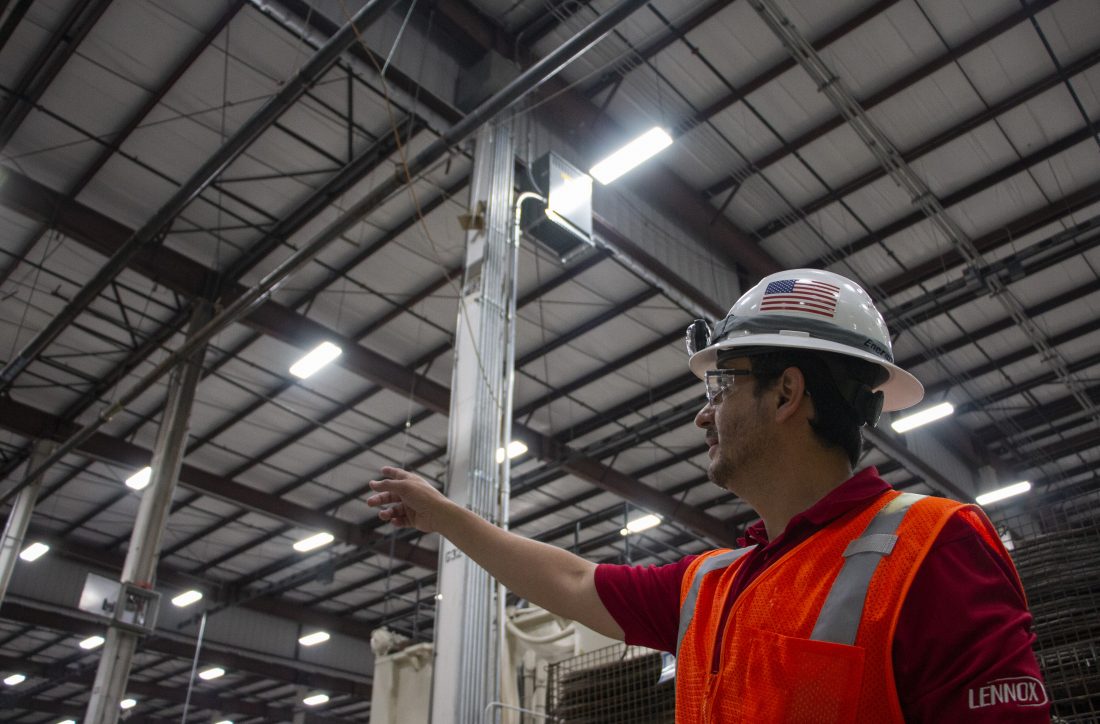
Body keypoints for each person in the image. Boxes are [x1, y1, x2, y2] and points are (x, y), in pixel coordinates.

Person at [367, 269, 1048, 722]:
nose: (703, 414)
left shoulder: (932, 546)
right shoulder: (713, 587)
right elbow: (573, 580)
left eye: (719, 387)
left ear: (786, 393)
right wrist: (444, 516)